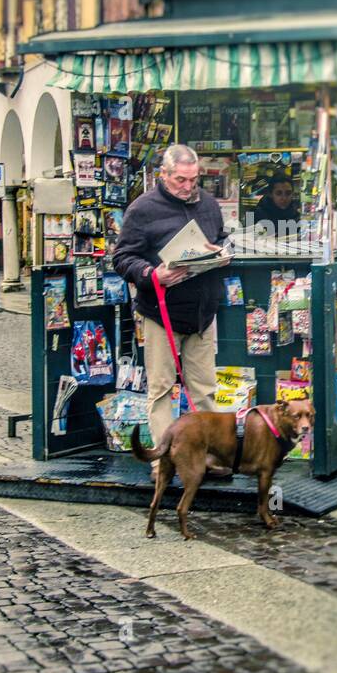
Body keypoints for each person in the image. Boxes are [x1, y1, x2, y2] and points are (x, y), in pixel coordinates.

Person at [112, 145, 231, 471]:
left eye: (193, 179)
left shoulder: (207, 204)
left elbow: (220, 237)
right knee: (162, 389)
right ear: (163, 175)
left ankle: (208, 457)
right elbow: (122, 258)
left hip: (203, 312)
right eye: (180, 179)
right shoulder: (142, 210)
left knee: (205, 389)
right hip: (161, 312)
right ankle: (163, 462)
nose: (188, 186)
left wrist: (220, 251)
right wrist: (152, 274)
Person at [251, 171, 300, 237]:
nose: (284, 198)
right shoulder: (257, 216)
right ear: (270, 194)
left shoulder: (296, 216)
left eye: (288, 193)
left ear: (292, 194)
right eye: (279, 193)